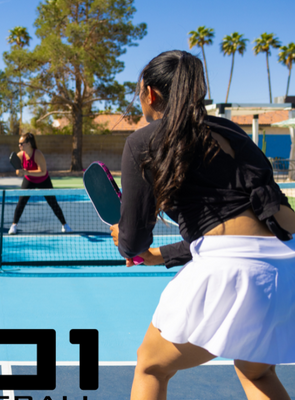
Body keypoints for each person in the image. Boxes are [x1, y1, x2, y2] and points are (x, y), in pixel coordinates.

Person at [111, 50, 295, 399]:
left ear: (150, 93)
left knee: (150, 366)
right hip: (288, 265)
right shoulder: (234, 134)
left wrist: (127, 241)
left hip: (231, 270)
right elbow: (241, 227)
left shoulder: (143, 142)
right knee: (256, 372)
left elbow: (133, 240)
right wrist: (158, 255)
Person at [8, 133, 72, 235]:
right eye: (18, 143)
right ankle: (14, 225)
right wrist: (19, 172)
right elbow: (18, 170)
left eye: (21, 143)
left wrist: (26, 172)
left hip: (43, 180)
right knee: (21, 203)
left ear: (28, 144)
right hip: (29, 180)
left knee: (53, 203)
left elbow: (42, 171)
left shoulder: (37, 154)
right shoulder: (20, 155)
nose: (19, 145)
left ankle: (65, 225)